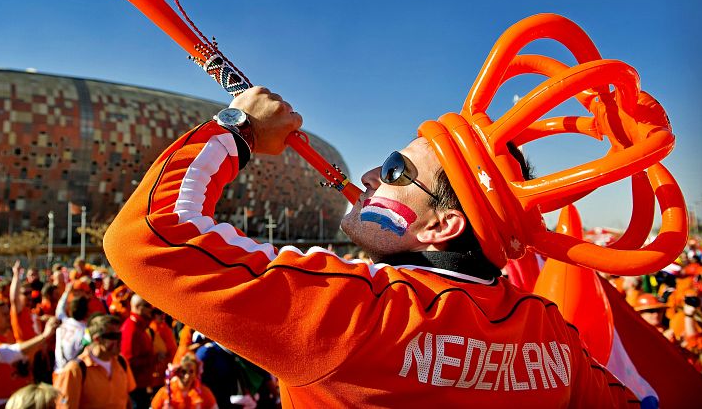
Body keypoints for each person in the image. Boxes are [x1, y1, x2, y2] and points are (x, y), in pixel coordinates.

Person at [104, 86, 639, 406]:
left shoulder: (360, 312)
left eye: (394, 171)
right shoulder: (553, 338)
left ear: (441, 226)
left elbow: (147, 237)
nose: (367, 176)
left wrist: (237, 128)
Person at [0, 298, 59, 409]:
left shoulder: (8, 335)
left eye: (8, 313)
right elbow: (7, 354)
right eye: (4, 314)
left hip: (14, 398)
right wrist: (44, 336)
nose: (8, 317)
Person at [53, 314, 136, 409]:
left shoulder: (121, 362)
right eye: (113, 336)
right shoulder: (75, 370)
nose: (119, 340)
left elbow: (127, 400)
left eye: (120, 335)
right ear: (97, 339)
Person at [121, 294, 159, 408]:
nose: (151, 309)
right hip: (136, 389)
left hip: (142, 384)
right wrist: (153, 359)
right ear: (138, 307)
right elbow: (128, 362)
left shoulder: (139, 326)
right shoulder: (131, 329)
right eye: (147, 305)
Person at [150, 353, 217, 409]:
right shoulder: (165, 392)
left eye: (191, 371)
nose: (187, 376)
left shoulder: (204, 393)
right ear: (176, 372)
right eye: (183, 371)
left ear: (196, 373)